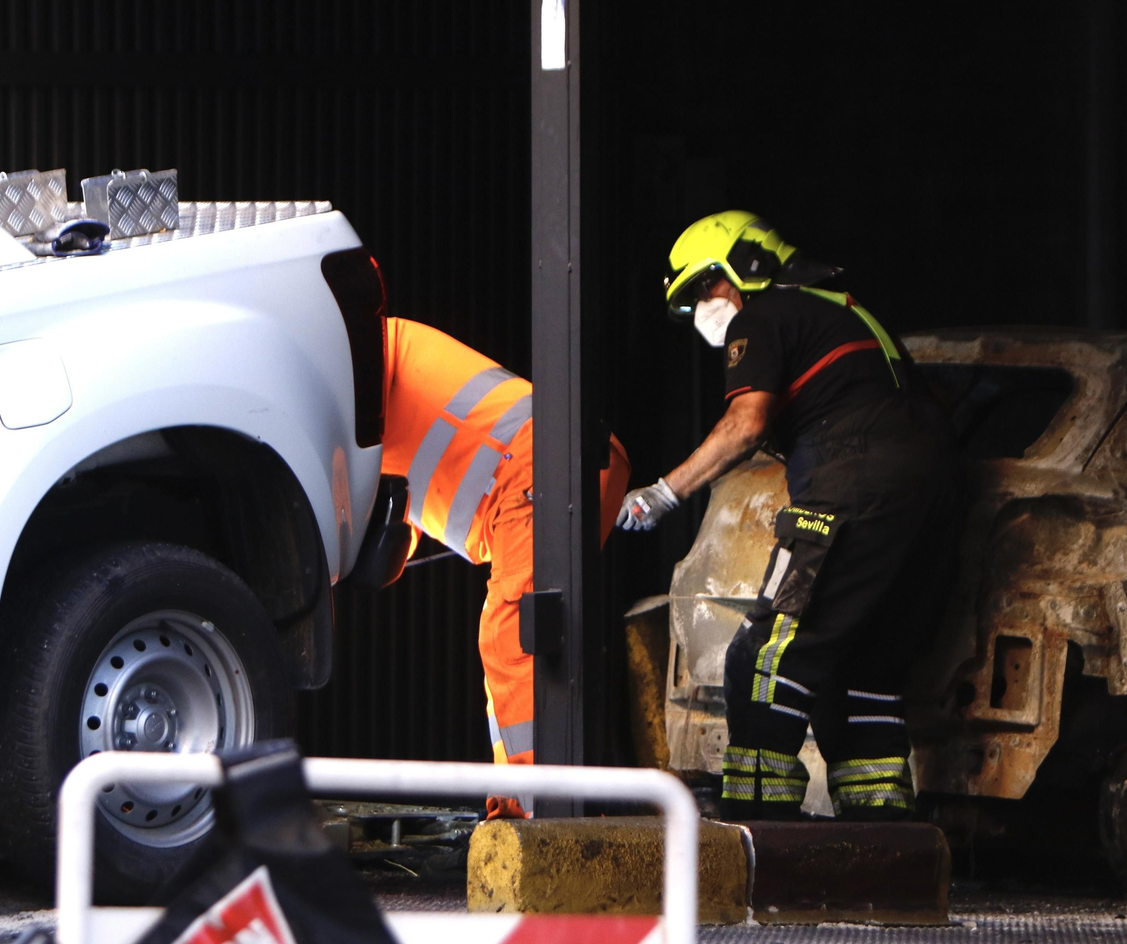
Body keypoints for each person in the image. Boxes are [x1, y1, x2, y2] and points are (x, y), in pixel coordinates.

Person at [618, 211, 958, 821]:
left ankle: (758, 822)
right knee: (861, 665)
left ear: (746, 265)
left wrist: (662, 494)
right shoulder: (847, 313)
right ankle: (880, 828)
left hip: (850, 491)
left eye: (705, 286)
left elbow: (745, 424)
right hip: (930, 502)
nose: (703, 308)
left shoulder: (764, 315)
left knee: (765, 656)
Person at [382, 317, 629, 818]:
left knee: (510, 637)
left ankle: (543, 813)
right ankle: (538, 798)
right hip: (564, 461)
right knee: (536, 646)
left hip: (541, 467)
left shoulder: (362, 352)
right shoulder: (368, 389)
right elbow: (391, 526)